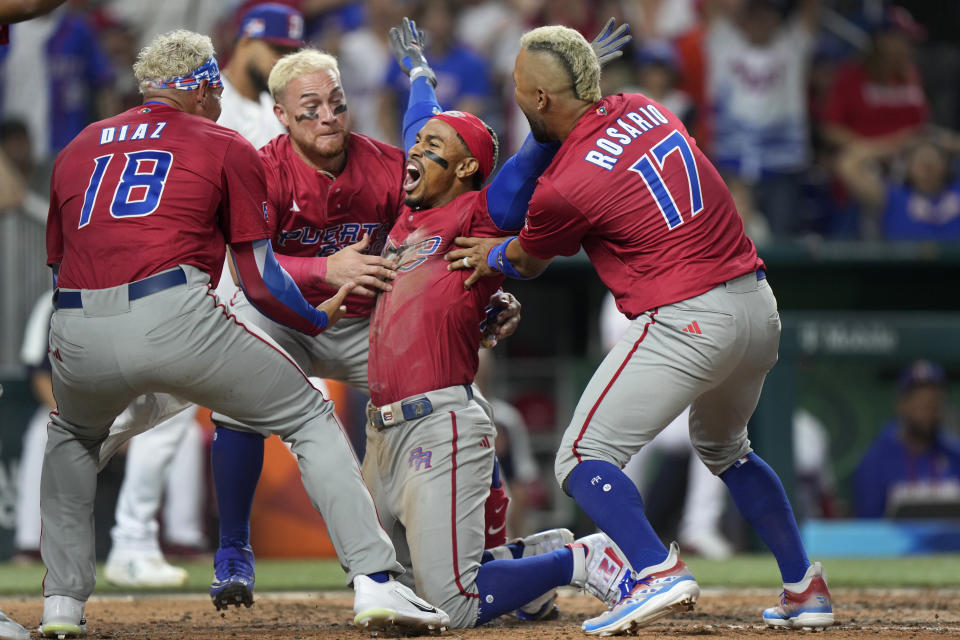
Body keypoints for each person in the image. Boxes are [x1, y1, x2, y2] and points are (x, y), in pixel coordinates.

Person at [40, 29, 448, 638]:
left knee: (69, 438)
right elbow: (257, 280)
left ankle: (61, 607)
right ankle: (377, 582)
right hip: (175, 311)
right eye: (217, 87)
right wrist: (316, 317)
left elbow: (57, 262)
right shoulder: (225, 141)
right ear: (205, 86)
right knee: (309, 417)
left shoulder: (78, 145)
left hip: (74, 321)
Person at [446, 24, 834, 633]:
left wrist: (487, 257)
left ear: (542, 99)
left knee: (579, 457)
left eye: (522, 90)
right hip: (758, 308)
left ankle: (653, 568)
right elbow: (589, 127)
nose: (516, 97)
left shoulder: (563, 187)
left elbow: (527, 258)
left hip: (689, 317)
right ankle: (804, 586)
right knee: (726, 449)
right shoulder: (644, 106)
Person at [203, 43, 522, 611]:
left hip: (364, 322)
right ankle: (233, 550)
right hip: (282, 315)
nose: (328, 116)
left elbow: (449, 231)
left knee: (457, 398)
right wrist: (326, 266)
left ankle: (491, 546)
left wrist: (491, 291)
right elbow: (242, 264)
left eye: (337, 103)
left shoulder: (384, 167)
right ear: (280, 115)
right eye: (310, 108)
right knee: (237, 393)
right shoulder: (259, 168)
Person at [355, 17, 639, 630]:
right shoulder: (410, 218)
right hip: (380, 432)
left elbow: (536, 147)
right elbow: (420, 120)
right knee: (388, 588)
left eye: (435, 151)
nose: (417, 152)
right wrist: (419, 74)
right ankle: (532, 572)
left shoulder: (480, 213)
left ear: (463, 171)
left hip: (440, 424)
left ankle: (580, 559)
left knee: (450, 607)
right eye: (418, 145)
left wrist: (573, 71)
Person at [104, 3, 310, 587]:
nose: (282, 62)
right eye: (274, 50)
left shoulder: (275, 116)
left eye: (292, 54)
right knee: (161, 418)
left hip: (249, 282)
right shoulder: (204, 108)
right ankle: (131, 540)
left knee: (286, 411)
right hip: (195, 281)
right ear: (243, 43)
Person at [854, 360, 960, 518]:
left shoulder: (955, 455)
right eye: (922, 404)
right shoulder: (875, 462)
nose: (929, 412)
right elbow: (868, 530)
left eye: (935, 404)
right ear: (902, 404)